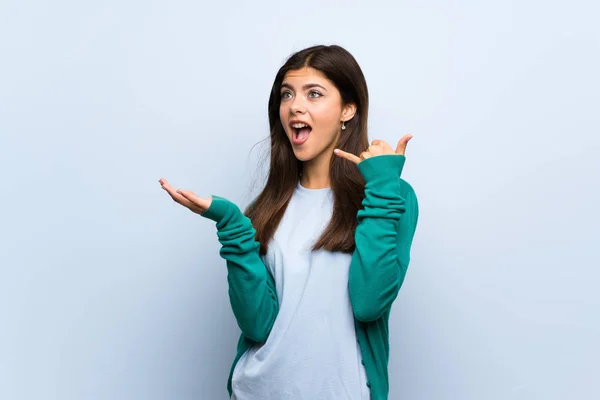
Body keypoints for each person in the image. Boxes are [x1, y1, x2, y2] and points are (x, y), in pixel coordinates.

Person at [159, 44, 419, 400]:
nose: (295, 106)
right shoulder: (265, 209)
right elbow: (258, 324)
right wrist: (233, 226)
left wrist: (383, 184)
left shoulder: (390, 197)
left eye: (314, 94)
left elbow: (369, 301)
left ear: (348, 108)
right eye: (287, 94)